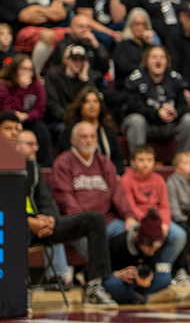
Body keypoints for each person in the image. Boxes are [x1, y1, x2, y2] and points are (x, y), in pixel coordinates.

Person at [7, 120, 118, 307]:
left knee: (95, 219)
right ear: (15, 145)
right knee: (19, 227)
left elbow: (45, 200)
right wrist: (30, 221)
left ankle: (94, 285)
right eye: (29, 144)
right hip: (21, 225)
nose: (35, 148)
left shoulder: (33, 167)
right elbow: (7, 209)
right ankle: (19, 289)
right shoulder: (5, 168)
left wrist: (50, 219)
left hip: (41, 225)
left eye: (36, 144)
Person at [52, 121, 137, 238]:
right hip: (78, 224)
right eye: (84, 137)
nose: (89, 140)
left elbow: (118, 194)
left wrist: (129, 217)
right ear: (73, 140)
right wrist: (84, 222)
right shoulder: (63, 163)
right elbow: (66, 200)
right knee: (96, 245)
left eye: (92, 136)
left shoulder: (105, 162)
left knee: (136, 235)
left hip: (108, 222)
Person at [121, 145, 188, 274]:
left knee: (179, 235)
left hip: (158, 219)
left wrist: (164, 224)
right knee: (139, 235)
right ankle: (138, 269)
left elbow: (164, 206)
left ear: (154, 161)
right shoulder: (126, 179)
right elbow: (130, 206)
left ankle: (162, 268)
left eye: (149, 160)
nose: (145, 163)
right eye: (141, 160)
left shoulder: (158, 179)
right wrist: (150, 224)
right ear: (133, 162)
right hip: (138, 219)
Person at [122, 46, 190, 154]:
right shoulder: (136, 79)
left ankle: (183, 161)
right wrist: (157, 113)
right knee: (136, 120)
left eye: (162, 57)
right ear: (146, 60)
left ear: (167, 61)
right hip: (146, 124)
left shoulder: (175, 78)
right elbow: (134, 107)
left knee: (188, 119)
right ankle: (138, 161)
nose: (158, 60)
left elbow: (183, 105)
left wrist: (176, 112)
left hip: (168, 125)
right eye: (154, 57)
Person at [1, 0, 68, 72]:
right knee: (48, 35)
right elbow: (25, 16)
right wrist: (50, 12)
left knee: (74, 32)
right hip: (23, 32)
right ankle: (34, 74)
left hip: (50, 28)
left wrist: (35, 9)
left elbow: (61, 13)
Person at [103, 208, 183, 304]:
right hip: (121, 281)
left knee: (166, 278)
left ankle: (133, 298)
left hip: (141, 284)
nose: (152, 251)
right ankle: (146, 298)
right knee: (110, 283)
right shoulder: (117, 242)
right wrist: (118, 274)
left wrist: (149, 277)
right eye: (149, 247)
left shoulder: (154, 247)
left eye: (155, 248)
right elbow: (103, 273)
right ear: (138, 239)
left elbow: (152, 267)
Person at [0, 53, 54, 166]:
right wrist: (21, 89)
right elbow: (7, 109)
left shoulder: (36, 85)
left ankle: (45, 167)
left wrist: (26, 116)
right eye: (24, 69)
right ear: (14, 70)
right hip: (8, 120)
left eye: (30, 70)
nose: (28, 73)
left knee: (42, 129)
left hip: (28, 120)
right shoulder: (3, 85)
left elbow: (40, 109)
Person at [62, 86, 124, 173]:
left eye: (95, 101)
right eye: (87, 101)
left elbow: (117, 158)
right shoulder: (71, 130)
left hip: (107, 177)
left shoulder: (108, 129)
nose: (92, 105)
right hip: (79, 177)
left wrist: (116, 175)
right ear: (80, 106)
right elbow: (65, 157)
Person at [166, 150, 190, 283]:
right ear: (177, 169)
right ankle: (180, 269)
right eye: (186, 163)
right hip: (179, 218)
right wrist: (189, 219)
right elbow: (174, 210)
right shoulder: (172, 181)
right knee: (183, 228)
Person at [113, 8, 157, 89]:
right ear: (130, 25)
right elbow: (123, 67)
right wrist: (145, 68)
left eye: (143, 24)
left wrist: (151, 44)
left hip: (149, 87)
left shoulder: (150, 46)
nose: (140, 27)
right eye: (136, 24)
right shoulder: (122, 46)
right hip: (126, 87)